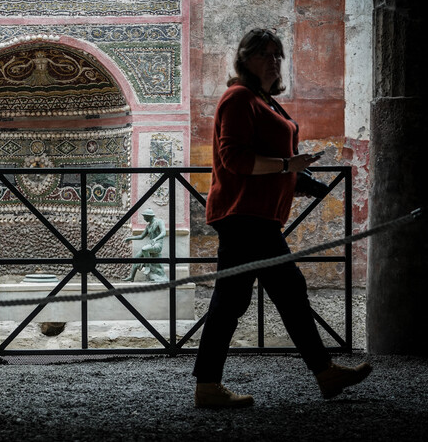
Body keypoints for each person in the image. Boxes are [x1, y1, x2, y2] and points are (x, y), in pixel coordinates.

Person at [193, 28, 372, 408]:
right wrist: (289, 165)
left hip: (258, 216)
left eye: (278, 54)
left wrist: (296, 179)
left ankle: (212, 385)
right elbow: (236, 160)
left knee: (244, 299)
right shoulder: (239, 97)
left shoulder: (265, 101)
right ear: (245, 59)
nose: (274, 60)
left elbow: (267, 160)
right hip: (244, 215)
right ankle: (322, 372)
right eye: (264, 53)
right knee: (277, 291)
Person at [123, 209, 168, 282]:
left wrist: (156, 239)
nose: (144, 219)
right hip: (151, 245)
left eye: (145, 217)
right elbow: (141, 236)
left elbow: (163, 233)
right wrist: (130, 238)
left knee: (144, 249)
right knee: (137, 257)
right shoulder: (148, 226)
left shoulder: (159, 222)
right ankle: (132, 276)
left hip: (158, 244)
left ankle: (148, 266)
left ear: (149, 216)